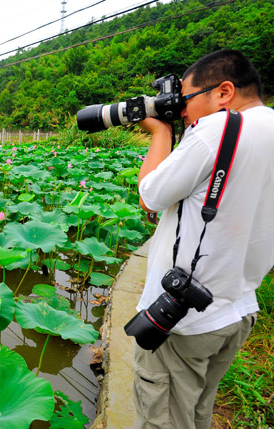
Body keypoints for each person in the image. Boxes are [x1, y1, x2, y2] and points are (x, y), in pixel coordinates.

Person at [133, 49, 274, 428]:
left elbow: (150, 195)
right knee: (196, 411)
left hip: (186, 322)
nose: (182, 111)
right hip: (238, 308)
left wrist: (161, 131)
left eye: (187, 99)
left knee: (164, 417)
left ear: (224, 92)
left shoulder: (218, 130)